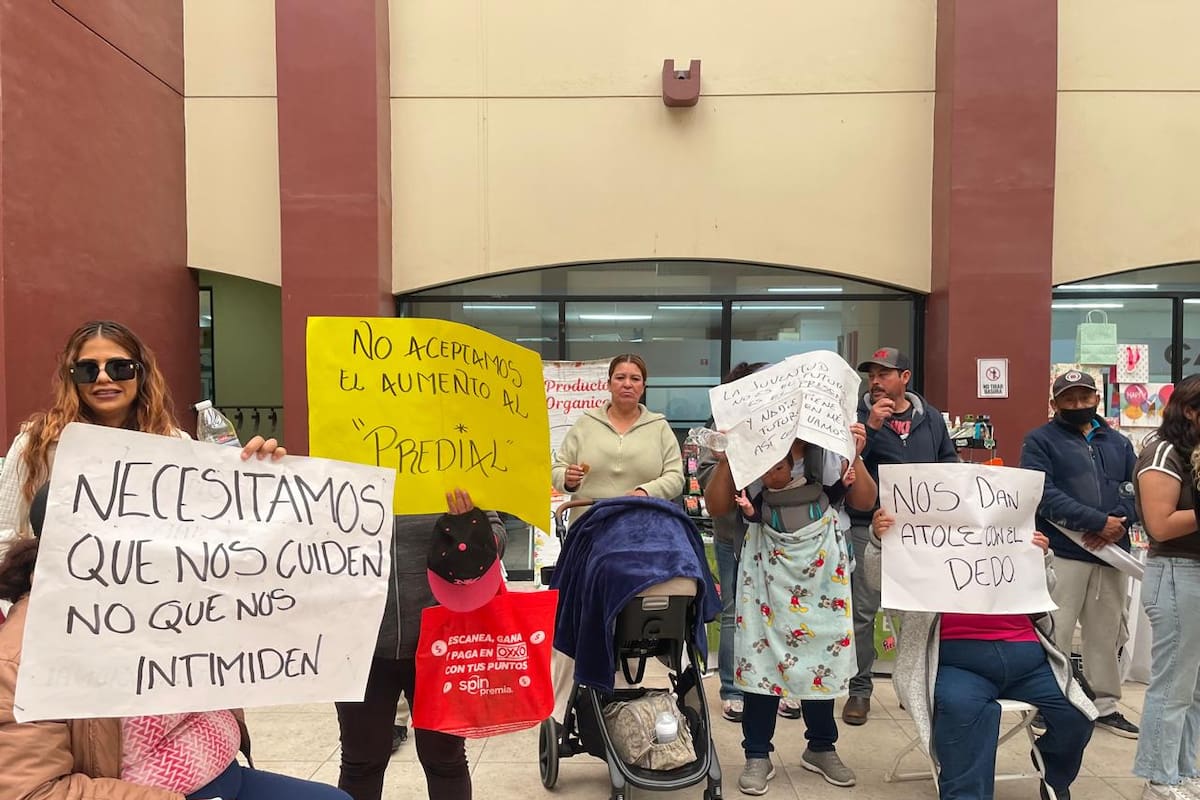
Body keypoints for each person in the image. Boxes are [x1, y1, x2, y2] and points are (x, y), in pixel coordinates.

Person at [0, 476, 349, 800]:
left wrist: (260, 476)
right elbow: (33, 792)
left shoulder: (168, 597)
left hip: (227, 776)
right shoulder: (22, 655)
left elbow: (254, 562)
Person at [866, 507, 1095, 800]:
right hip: (956, 661)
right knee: (962, 711)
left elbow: (1046, 591)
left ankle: (1054, 773)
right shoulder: (927, 541)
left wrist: (1041, 559)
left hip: (1028, 659)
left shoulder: (1007, 536)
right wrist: (880, 541)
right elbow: (879, 582)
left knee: (1078, 714)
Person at [0, 320, 285, 544]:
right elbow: (4, 538)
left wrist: (256, 478)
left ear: (141, 373)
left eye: (119, 367)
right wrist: (30, 587)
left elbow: (209, 532)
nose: (103, 377)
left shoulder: (175, 444)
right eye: (87, 369)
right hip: (58, 608)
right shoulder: (37, 443)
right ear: (72, 379)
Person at [705, 424, 876, 795]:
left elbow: (864, 500)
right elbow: (716, 507)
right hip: (766, 561)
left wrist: (856, 452)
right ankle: (757, 752)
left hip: (822, 562)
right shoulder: (749, 443)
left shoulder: (829, 441)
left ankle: (821, 745)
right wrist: (725, 460)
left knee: (821, 648)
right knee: (761, 652)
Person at [335, 488, 507, 800]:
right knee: (361, 763)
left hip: (440, 642)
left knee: (445, 760)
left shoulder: (451, 461)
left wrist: (470, 529)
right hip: (358, 644)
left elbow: (497, 538)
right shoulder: (338, 458)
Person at [1020, 369, 1140, 738]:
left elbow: (1135, 488)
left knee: (1107, 632)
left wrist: (1118, 522)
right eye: (1069, 399)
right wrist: (1095, 521)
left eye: (1083, 398)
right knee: (1055, 629)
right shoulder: (1039, 441)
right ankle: (1049, 700)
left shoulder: (1118, 443)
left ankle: (1105, 704)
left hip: (1111, 553)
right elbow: (1042, 491)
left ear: (1096, 399)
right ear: (1055, 404)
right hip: (1064, 550)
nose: (1077, 405)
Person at [845, 346, 958, 726]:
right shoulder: (858, 418)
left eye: (884, 374)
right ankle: (859, 690)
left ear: (905, 378)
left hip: (923, 534)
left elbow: (949, 462)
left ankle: (916, 687)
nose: (875, 382)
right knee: (863, 611)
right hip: (869, 527)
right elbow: (846, 465)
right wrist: (872, 428)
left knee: (922, 612)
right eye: (871, 375)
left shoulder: (932, 420)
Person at [1131, 374, 1200, 800]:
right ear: (1191, 410)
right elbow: (1160, 525)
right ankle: (1159, 776)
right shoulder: (1163, 452)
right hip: (1178, 572)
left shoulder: (1193, 450)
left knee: (1193, 686)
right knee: (1174, 682)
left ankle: (1185, 768)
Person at [699, 361, 766, 725]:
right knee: (733, 613)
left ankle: (778, 686)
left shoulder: (784, 424)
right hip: (731, 533)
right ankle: (732, 689)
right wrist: (728, 460)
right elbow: (708, 480)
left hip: (779, 535)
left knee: (780, 612)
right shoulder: (719, 427)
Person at [552, 354, 684, 500]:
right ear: (608, 385)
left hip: (644, 518)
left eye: (635, 379)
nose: (627, 384)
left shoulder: (660, 427)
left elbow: (676, 477)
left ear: (643, 387)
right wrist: (567, 479)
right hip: (590, 519)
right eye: (620, 378)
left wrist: (646, 492)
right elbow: (558, 468)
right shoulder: (585, 423)